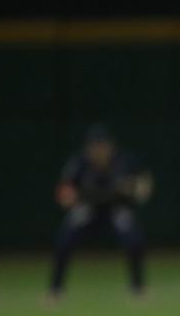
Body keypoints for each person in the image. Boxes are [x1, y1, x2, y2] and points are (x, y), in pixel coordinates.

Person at [47, 124, 153, 301]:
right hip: (87, 207)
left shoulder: (124, 161)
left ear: (110, 146)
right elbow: (64, 191)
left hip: (116, 208)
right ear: (88, 148)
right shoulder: (79, 163)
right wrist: (69, 198)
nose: (98, 151)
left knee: (134, 239)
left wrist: (133, 189)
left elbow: (144, 185)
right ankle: (55, 289)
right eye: (95, 146)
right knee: (64, 239)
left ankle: (138, 287)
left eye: (102, 146)